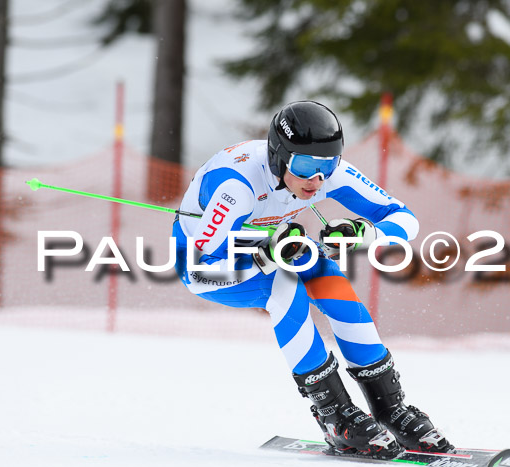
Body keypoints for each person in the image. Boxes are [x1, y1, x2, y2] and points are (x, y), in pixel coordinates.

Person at [172, 101, 452, 459]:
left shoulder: (323, 172)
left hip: (274, 244)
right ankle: (336, 419)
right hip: (213, 261)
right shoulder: (236, 187)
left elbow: (404, 217)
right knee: (283, 287)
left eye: (327, 166)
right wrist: (263, 257)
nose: (316, 180)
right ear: (279, 156)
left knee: (330, 281)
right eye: (305, 167)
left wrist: (363, 233)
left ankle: (390, 410)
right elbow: (199, 269)